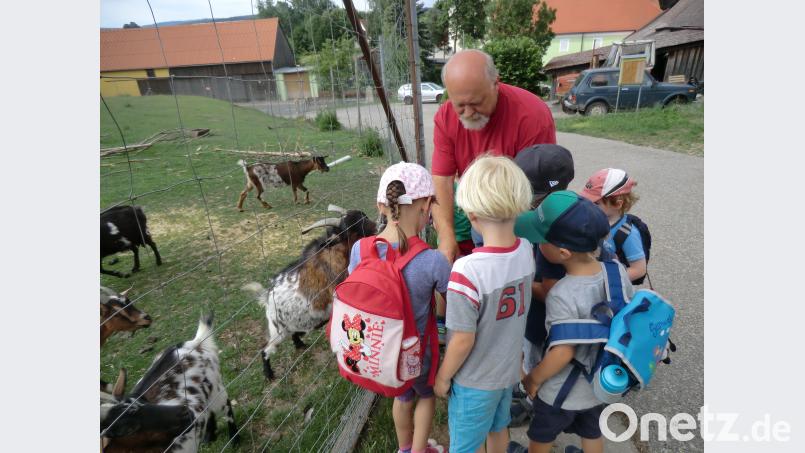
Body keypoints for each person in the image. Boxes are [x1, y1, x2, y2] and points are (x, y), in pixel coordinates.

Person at [512, 191, 635, 453]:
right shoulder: (616, 271)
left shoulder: (561, 294)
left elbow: (563, 352)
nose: (537, 245)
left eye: (540, 241)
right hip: (598, 383)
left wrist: (533, 379)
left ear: (563, 252)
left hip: (560, 391)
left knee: (541, 434)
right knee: (592, 431)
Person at [434, 155, 535, 453]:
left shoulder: (467, 272)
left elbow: (462, 340)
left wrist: (443, 377)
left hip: (474, 382)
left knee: (468, 444)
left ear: (472, 214)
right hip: (507, 373)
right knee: (499, 427)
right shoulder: (526, 251)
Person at [348, 162, 451, 453]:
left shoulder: (360, 249)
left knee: (402, 396)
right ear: (426, 206)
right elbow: (452, 300)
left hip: (380, 349)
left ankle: (404, 448)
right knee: (425, 396)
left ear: (380, 206)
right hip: (417, 353)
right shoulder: (433, 260)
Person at [430, 49, 556, 264]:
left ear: (496, 83)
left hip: (519, 215)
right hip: (478, 219)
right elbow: (442, 180)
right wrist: (446, 235)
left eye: (476, 103)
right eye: (460, 105)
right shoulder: (445, 116)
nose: (468, 113)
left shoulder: (532, 115)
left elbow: (538, 192)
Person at [509, 144, 575, 426]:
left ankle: (534, 405)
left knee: (536, 363)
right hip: (553, 317)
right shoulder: (570, 211)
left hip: (543, 321)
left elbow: (549, 291)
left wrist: (519, 283)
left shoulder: (551, 235)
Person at [579, 168, 647, 283]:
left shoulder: (628, 234)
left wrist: (605, 282)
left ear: (617, 204)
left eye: (595, 203)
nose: (588, 206)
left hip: (608, 286)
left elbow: (639, 270)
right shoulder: (592, 218)